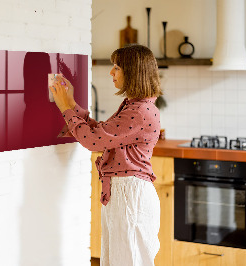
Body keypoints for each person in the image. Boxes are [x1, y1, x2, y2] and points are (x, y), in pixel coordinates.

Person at [50, 44, 162, 266]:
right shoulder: (135, 106)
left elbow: (93, 141)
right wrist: (71, 103)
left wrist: (65, 108)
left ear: (133, 72)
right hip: (125, 193)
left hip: (130, 195)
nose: (111, 72)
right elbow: (101, 133)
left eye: (117, 67)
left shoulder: (139, 111)